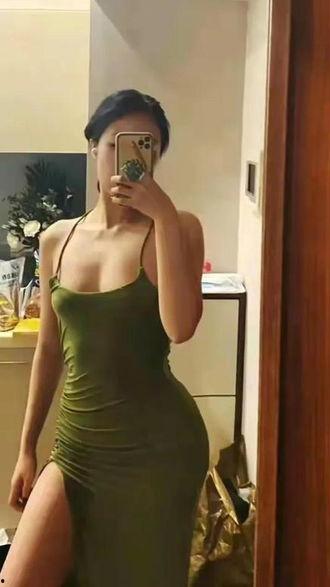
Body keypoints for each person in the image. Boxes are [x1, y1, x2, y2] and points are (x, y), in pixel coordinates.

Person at [2, 89, 210, 586]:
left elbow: (181, 328)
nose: (130, 159)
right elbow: (49, 349)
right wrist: (27, 447)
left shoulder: (178, 227)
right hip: (77, 446)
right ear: (93, 147)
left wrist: (163, 217)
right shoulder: (57, 238)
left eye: (147, 147)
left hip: (157, 452)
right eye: (117, 144)